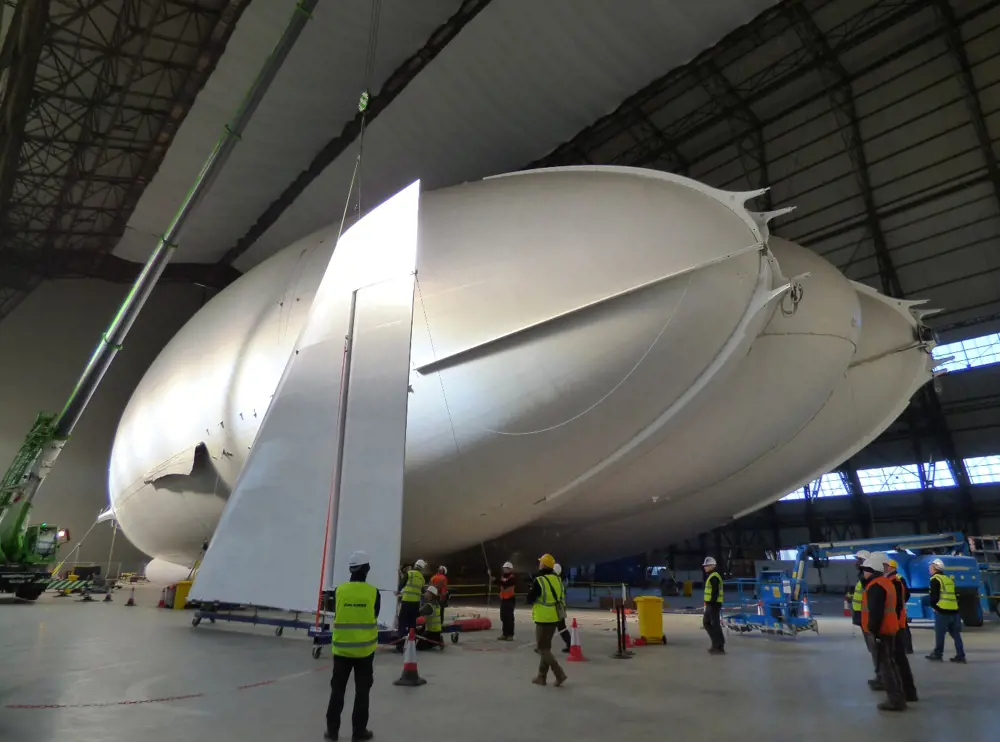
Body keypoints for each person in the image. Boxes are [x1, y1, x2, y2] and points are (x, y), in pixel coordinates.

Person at [326, 550, 378, 741]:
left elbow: (335, 611)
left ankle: (332, 732)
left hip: (341, 650)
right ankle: (359, 731)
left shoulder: (339, 590)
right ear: (365, 569)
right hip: (364, 652)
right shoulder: (373, 592)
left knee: (337, 691)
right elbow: (375, 615)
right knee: (362, 692)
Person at [860, 555, 906, 711]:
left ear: (872, 571)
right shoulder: (886, 583)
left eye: (865, 570)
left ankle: (894, 700)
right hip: (890, 628)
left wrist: (874, 632)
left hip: (881, 631)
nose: (863, 573)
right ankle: (899, 697)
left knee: (885, 667)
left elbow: (876, 612)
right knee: (891, 664)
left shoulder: (875, 586)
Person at [526, 553, 567, 687]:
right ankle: (541, 677)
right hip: (555, 617)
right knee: (546, 648)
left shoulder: (540, 580)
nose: (539, 564)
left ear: (543, 565)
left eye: (540, 562)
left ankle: (559, 673)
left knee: (542, 648)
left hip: (543, 618)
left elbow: (530, 599)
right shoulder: (558, 580)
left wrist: (530, 592)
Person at [883, 557, 917, 702]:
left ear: (891, 567)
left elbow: (899, 599)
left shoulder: (896, 580)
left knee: (898, 658)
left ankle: (905, 692)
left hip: (896, 622)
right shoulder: (893, 580)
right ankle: (907, 691)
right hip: (897, 620)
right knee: (898, 658)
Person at [926, 558, 966, 663]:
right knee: (956, 634)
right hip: (954, 611)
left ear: (935, 568)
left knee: (940, 633)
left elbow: (933, 597)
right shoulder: (948, 579)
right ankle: (960, 655)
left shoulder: (935, 579)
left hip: (942, 611)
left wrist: (935, 607)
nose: (929, 569)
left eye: (931, 567)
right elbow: (956, 595)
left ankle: (938, 654)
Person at [853, 549, 880, 685]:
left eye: (859, 560)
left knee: (876, 649)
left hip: (869, 619)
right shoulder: (863, 579)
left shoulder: (871, 581)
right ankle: (879, 675)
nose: (857, 563)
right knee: (873, 649)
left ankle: (880, 677)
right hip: (863, 617)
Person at [395, 558, 427, 652]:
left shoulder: (409, 573)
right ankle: (411, 645)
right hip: (415, 604)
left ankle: (400, 646)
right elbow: (422, 591)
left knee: (402, 623)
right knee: (412, 625)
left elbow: (402, 583)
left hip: (406, 602)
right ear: (421, 568)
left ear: (415, 566)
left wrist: (398, 591)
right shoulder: (422, 578)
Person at [702, 556, 725, 654]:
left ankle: (719, 646)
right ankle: (716, 643)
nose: (705, 567)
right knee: (707, 623)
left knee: (714, 624)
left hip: (713, 605)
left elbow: (715, 593)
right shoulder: (712, 575)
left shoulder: (714, 577)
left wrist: (711, 603)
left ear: (712, 566)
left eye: (706, 566)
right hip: (710, 604)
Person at [417, 585, 444, 651]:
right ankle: (437, 639)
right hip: (436, 631)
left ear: (431, 595)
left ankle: (436, 642)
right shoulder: (437, 604)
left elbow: (418, 613)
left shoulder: (429, 606)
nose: (425, 594)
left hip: (431, 632)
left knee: (419, 646)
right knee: (418, 631)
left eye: (427, 593)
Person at [553, 563, 571, 653]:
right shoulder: (561, 581)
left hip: (555, 608)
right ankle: (570, 644)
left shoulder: (555, 582)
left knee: (548, 628)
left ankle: (543, 647)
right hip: (560, 607)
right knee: (561, 627)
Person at [496, 561, 516, 641]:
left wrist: (496, 580)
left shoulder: (512, 578)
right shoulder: (503, 577)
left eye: (506, 568)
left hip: (510, 599)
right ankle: (504, 634)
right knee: (503, 617)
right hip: (503, 599)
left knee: (509, 618)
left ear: (510, 569)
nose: (505, 570)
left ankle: (510, 634)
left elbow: (505, 584)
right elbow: (500, 583)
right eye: (504, 568)